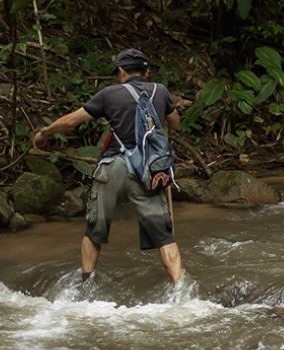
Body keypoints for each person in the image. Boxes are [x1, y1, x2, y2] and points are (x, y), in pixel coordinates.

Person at [30, 48, 184, 283]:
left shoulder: (109, 94)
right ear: (147, 71)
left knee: (94, 231)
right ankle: (180, 287)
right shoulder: (160, 91)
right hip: (149, 172)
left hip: (112, 168)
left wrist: (45, 133)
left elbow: (72, 121)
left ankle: (87, 285)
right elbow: (175, 123)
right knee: (165, 237)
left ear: (121, 71)